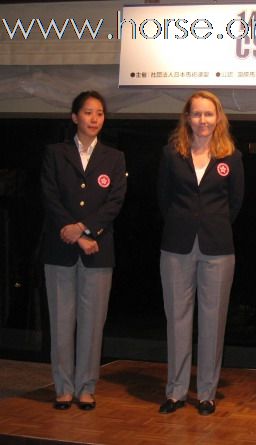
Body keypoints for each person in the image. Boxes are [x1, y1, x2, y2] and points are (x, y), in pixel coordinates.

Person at [157, 91, 244, 416]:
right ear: (187, 118)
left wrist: (209, 225)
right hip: (177, 246)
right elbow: (163, 199)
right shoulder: (171, 154)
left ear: (218, 118)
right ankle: (176, 392)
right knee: (177, 321)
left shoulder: (231, 157)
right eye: (197, 114)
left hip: (217, 248)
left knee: (212, 321)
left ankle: (206, 393)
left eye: (209, 114)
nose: (203, 120)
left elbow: (235, 203)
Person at [41, 90, 127, 411]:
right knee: (61, 322)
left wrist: (88, 229)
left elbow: (115, 202)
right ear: (74, 117)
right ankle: (63, 387)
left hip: (98, 250)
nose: (94, 119)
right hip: (61, 249)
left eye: (100, 113)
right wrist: (77, 234)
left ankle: (86, 387)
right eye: (88, 113)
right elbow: (50, 197)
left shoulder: (114, 157)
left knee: (92, 323)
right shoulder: (55, 153)